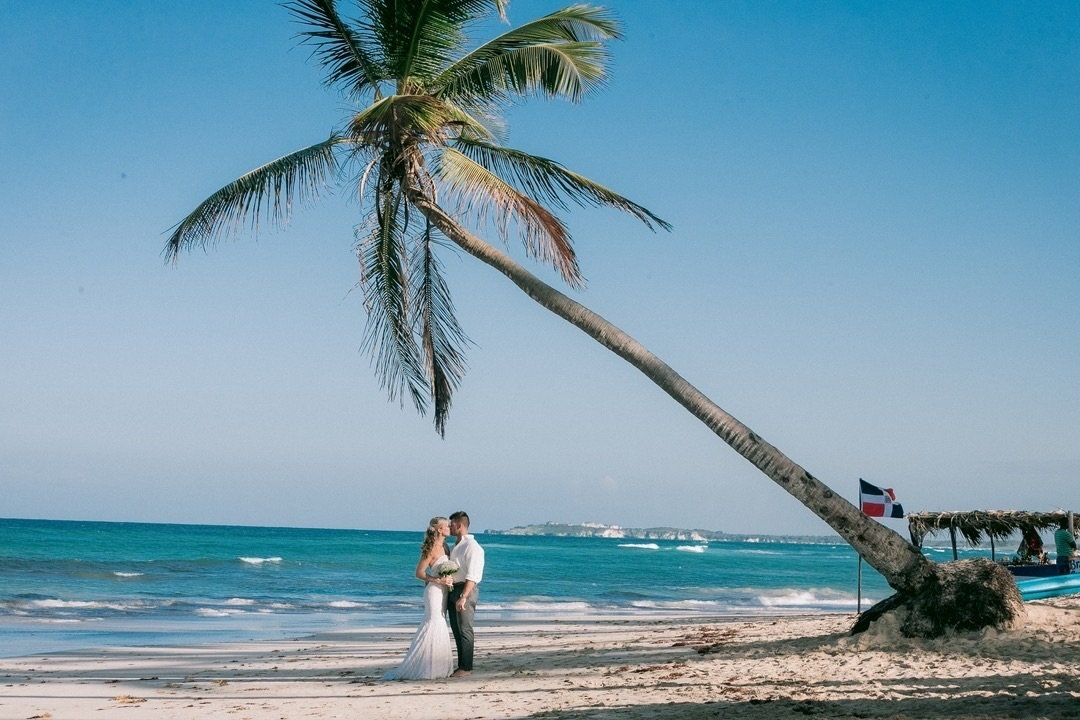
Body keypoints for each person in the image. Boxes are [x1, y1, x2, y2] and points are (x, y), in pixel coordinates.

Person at [384, 517, 455, 680]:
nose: (450, 528)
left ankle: (439, 667)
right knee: (434, 622)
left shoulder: (445, 547)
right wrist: (438, 580)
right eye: (447, 526)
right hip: (434, 591)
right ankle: (425, 668)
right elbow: (419, 573)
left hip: (443, 591)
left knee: (440, 622)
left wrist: (449, 579)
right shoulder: (430, 549)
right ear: (439, 529)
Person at [447, 510, 485, 677]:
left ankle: (467, 667)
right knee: (456, 629)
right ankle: (461, 665)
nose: (450, 527)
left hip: (465, 590)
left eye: (452, 524)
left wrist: (463, 596)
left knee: (465, 630)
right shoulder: (456, 546)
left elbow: (473, 575)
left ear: (460, 525)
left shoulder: (473, 547)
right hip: (453, 589)